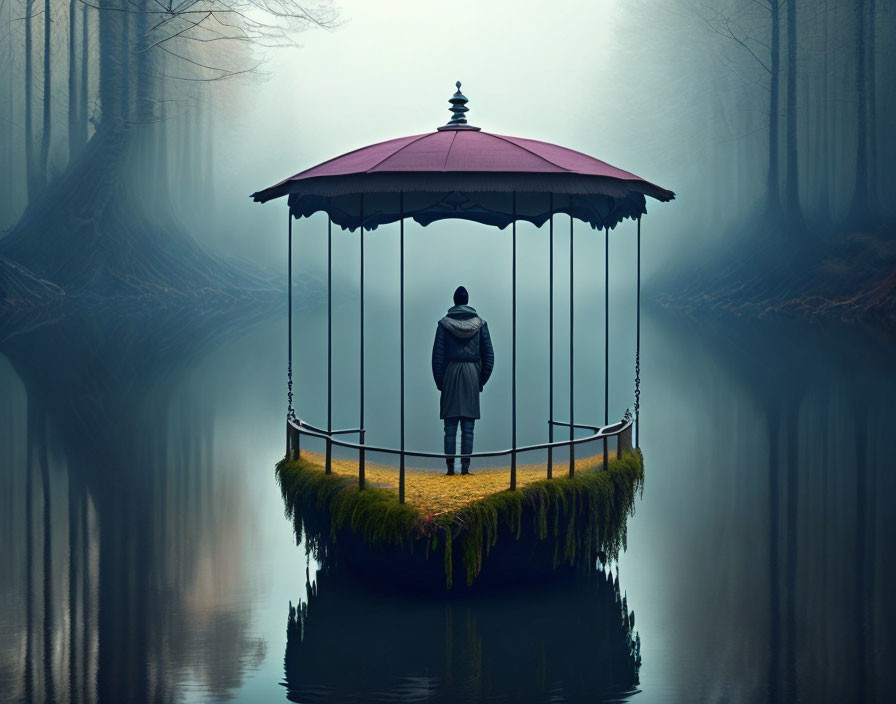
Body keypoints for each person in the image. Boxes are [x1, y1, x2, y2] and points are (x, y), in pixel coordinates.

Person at [431, 286, 495, 475]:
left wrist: (440, 382)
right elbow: (489, 356)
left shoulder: (444, 325)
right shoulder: (481, 325)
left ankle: (450, 469)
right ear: (467, 301)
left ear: (455, 301)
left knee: (450, 428)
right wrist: (480, 381)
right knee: (468, 427)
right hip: (471, 375)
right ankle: (465, 469)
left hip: (451, 374)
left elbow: (437, 357)